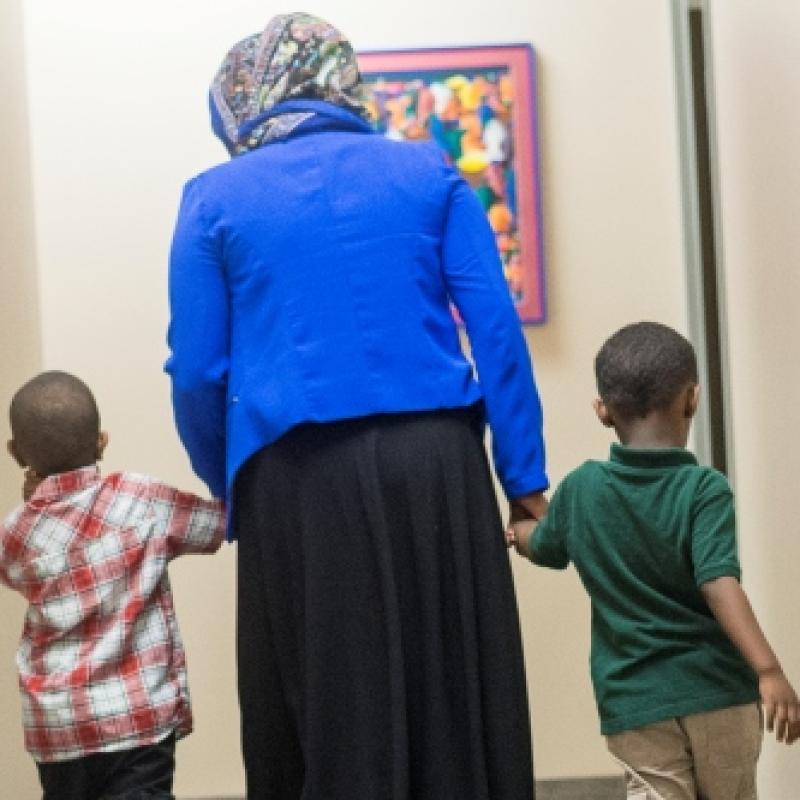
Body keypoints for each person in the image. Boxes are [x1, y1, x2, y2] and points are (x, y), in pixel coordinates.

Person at [165, 11, 547, 799]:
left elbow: (199, 371)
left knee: (324, 709)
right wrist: (524, 481)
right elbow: (496, 332)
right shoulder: (428, 172)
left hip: (296, 480)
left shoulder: (213, 198)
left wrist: (229, 483)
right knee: (457, 700)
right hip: (437, 467)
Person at [507, 321, 800, 800]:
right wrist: (768, 670)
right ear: (693, 399)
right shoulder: (704, 489)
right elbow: (717, 581)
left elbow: (544, 546)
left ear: (603, 412)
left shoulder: (581, 489)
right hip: (719, 692)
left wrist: (516, 531)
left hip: (636, 701)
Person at [0, 371, 225, 800]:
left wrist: (35, 503)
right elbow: (216, 525)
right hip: (137, 720)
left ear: (14, 452)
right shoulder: (142, 499)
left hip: (58, 728)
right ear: (101, 441)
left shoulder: (16, 532)